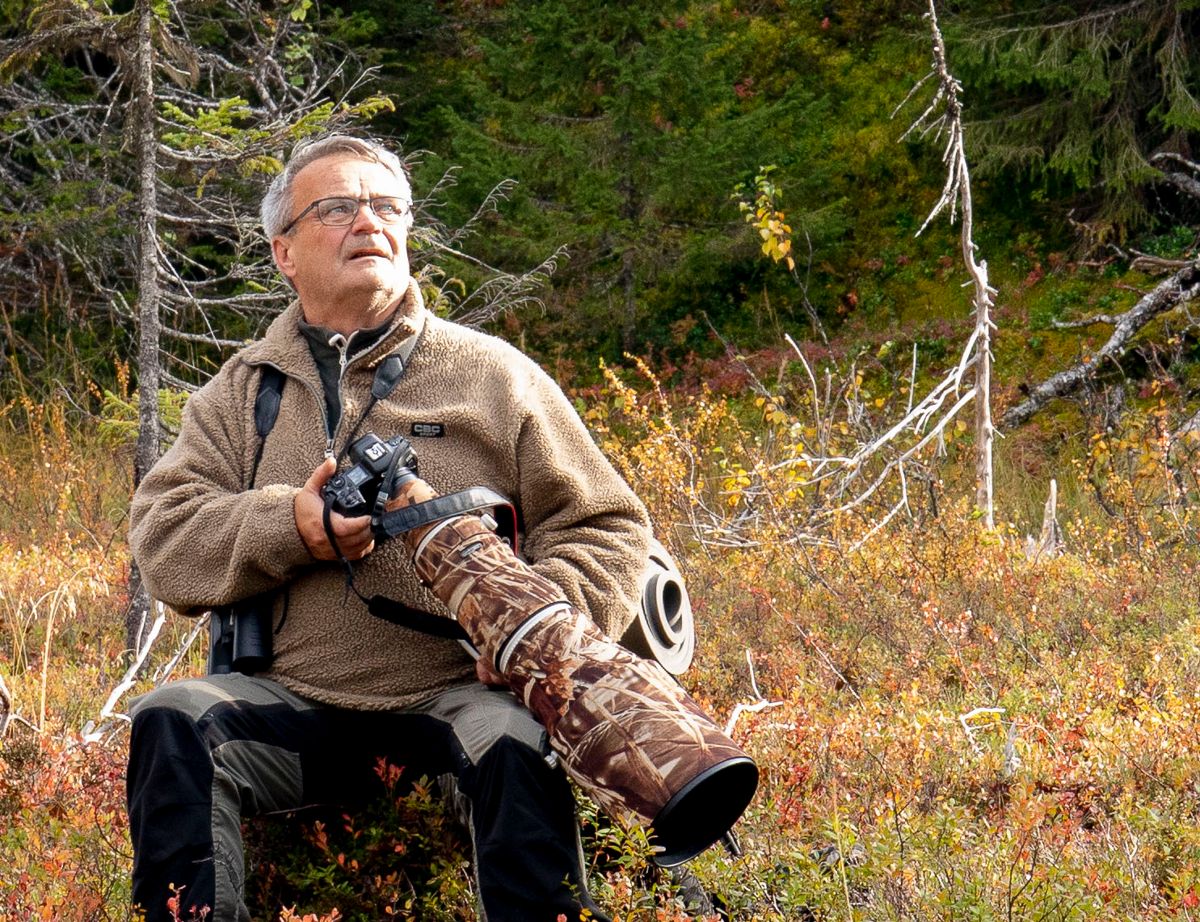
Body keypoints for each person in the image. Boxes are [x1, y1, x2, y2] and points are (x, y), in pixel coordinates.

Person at [126, 134, 651, 922]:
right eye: (337, 208)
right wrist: (289, 525)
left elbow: (606, 524)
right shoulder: (242, 393)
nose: (368, 222)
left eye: (387, 207)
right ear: (284, 252)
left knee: (514, 741)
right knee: (170, 719)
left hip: (458, 702)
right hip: (291, 705)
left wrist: (528, 630)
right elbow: (165, 536)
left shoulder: (493, 376)